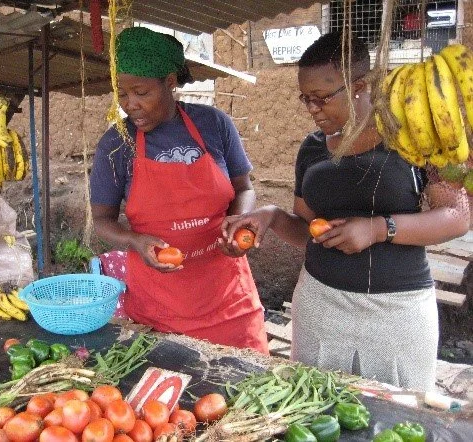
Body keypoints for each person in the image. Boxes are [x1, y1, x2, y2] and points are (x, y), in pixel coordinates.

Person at [221, 31, 470, 390]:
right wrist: (272, 216)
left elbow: (457, 217)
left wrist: (377, 229)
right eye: (305, 99)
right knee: (316, 408)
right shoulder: (312, 149)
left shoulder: (413, 139)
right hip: (321, 305)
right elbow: (309, 231)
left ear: (360, 85)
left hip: (397, 313)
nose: (312, 109)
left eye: (322, 98)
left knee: (399, 417)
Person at [89, 26, 268, 354]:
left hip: (228, 299)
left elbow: (244, 188)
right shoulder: (116, 144)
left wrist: (239, 221)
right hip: (159, 308)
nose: (131, 105)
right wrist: (133, 241)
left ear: (170, 83)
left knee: (249, 395)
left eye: (141, 92)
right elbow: (101, 220)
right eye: (122, 93)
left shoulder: (214, 124)